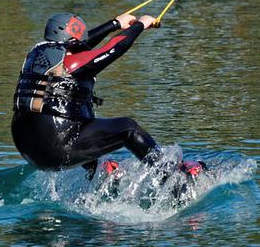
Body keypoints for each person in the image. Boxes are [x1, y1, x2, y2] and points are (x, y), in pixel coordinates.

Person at [12, 12, 173, 180]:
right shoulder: (72, 63)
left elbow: (82, 44)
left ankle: (100, 180)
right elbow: (114, 48)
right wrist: (140, 25)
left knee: (91, 137)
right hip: (58, 147)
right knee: (129, 129)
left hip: (28, 149)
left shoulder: (37, 55)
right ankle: (167, 174)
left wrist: (114, 24)